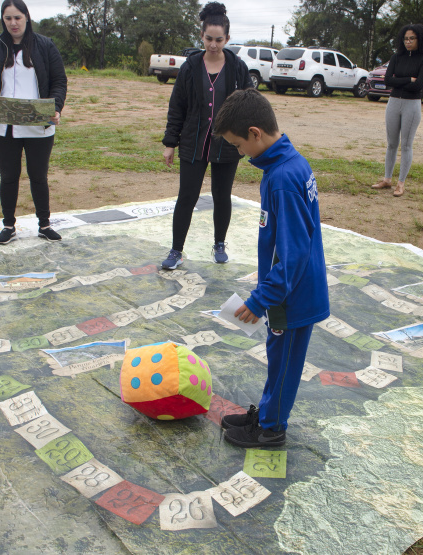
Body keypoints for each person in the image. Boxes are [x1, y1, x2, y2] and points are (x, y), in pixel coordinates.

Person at [212, 89, 330, 447]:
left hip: (292, 295)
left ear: (254, 133)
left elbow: (292, 254)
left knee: (285, 363)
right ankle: (266, 413)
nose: (239, 152)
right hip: (288, 290)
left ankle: (271, 428)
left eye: (237, 144)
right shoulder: (287, 163)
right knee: (278, 356)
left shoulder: (281, 178)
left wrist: (262, 298)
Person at [160, 2, 253, 270]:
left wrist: (246, 141)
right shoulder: (190, 67)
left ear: (227, 39)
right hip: (193, 143)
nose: (213, 44)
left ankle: (219, 243)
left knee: (222, 196)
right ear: (202, 36)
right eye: (209, 39)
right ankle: (176, 250)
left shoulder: (237, 68)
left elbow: (249, 104)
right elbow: (177, 106)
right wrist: (170, 143)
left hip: (228, 146)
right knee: (186, 197)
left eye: (219, 39)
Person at [0, 0, 67, 244]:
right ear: (2, 20)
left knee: (38, 176)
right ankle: (8, 226)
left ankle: (44, 225)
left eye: (17, 17)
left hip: (38, 126)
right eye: (8, 18)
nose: (13, 23)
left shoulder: (45, 45)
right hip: (3, 127)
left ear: (26, 17)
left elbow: (59, 81)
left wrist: (56, 107)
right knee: (8, 176)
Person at [371, 23, 423, 197]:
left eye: (412, 38)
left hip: (412, 104)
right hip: (394, 102)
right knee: (391, 143)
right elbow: (388, 80)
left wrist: (403, 80)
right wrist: (409, 79)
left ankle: (401, 183)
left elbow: (419, 85)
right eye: (405, 39)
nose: (408, 42)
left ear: (419, 39)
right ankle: (387, 179)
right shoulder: (397, 57)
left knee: (406, 145)